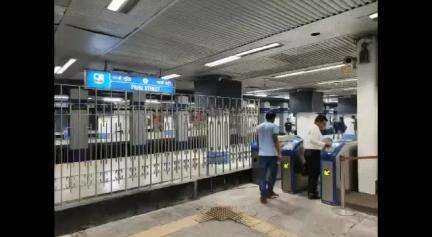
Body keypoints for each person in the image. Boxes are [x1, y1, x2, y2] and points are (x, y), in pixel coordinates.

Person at [304, 115, 331, 199]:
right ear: (318, 122)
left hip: (310, 152)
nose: (324, 126)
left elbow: (314, 140)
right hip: (313, 153)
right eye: (323, 124)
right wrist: (325, 144)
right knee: (314, 173)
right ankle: (312, 193)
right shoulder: (315, 128)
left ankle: (311, 192)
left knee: (312, 173)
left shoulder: (313, 128)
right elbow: (313, 140)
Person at [256, 110, 280, 204]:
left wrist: (260, 149)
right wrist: (279, 153)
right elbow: (275, 140)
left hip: (262, 155)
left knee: (262, 176)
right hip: (272, 155)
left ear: (266, 117)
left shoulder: (259, 126)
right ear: (274, 118)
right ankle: (269, 192)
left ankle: (263, 196)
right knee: (272, 175)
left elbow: (258, 140)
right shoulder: (274, 126)